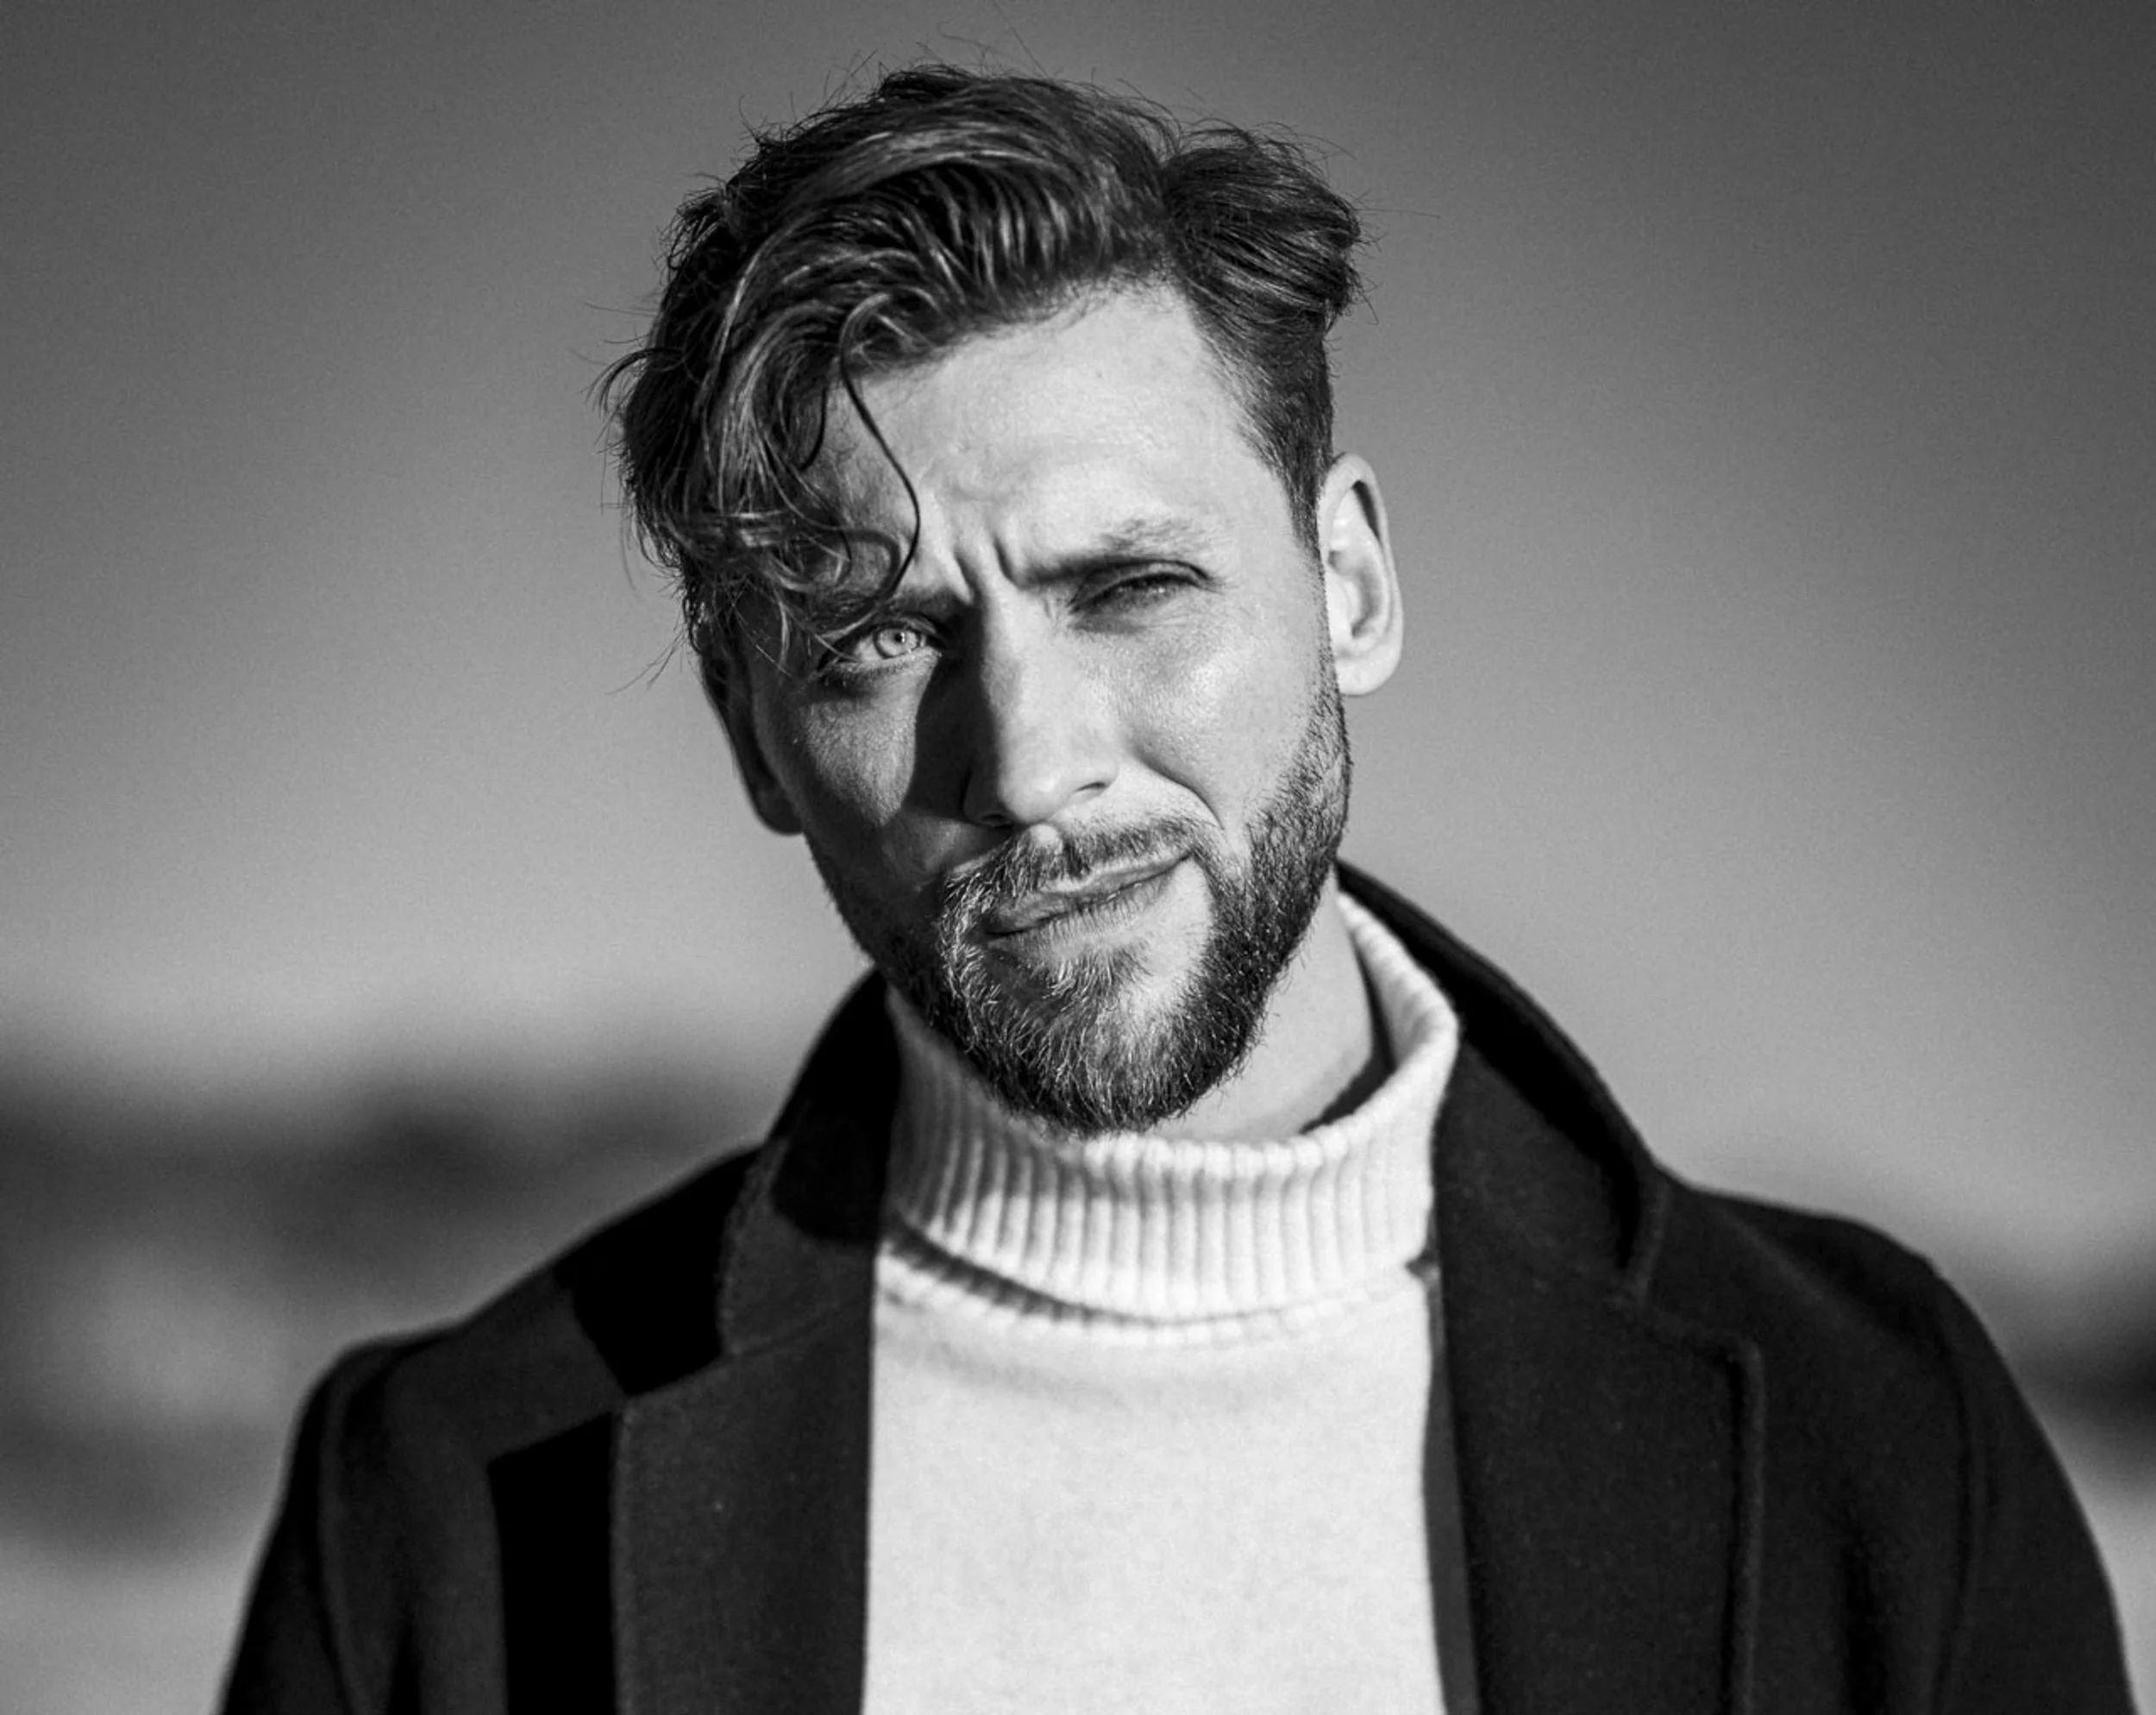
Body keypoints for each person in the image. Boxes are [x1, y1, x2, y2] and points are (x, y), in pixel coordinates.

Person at [221, 66, 2131, 1713]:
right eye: (883, 641)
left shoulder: (1876, 1433)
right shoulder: (441, 1504)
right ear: (752, 738)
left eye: (1129, 588)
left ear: (1348, 586)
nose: (1032, 761)